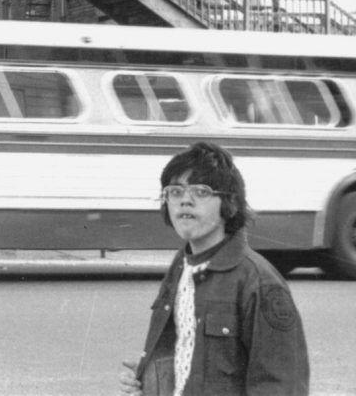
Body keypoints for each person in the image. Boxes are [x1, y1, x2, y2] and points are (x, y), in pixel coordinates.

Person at [119, 141, 309, 395]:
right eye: (175, 192)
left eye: (201, 191)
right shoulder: (182, 265)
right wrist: (147, 380)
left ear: (228, 203)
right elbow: (185, 355)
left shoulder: (259, 282)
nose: (185, 201)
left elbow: (281, 386)